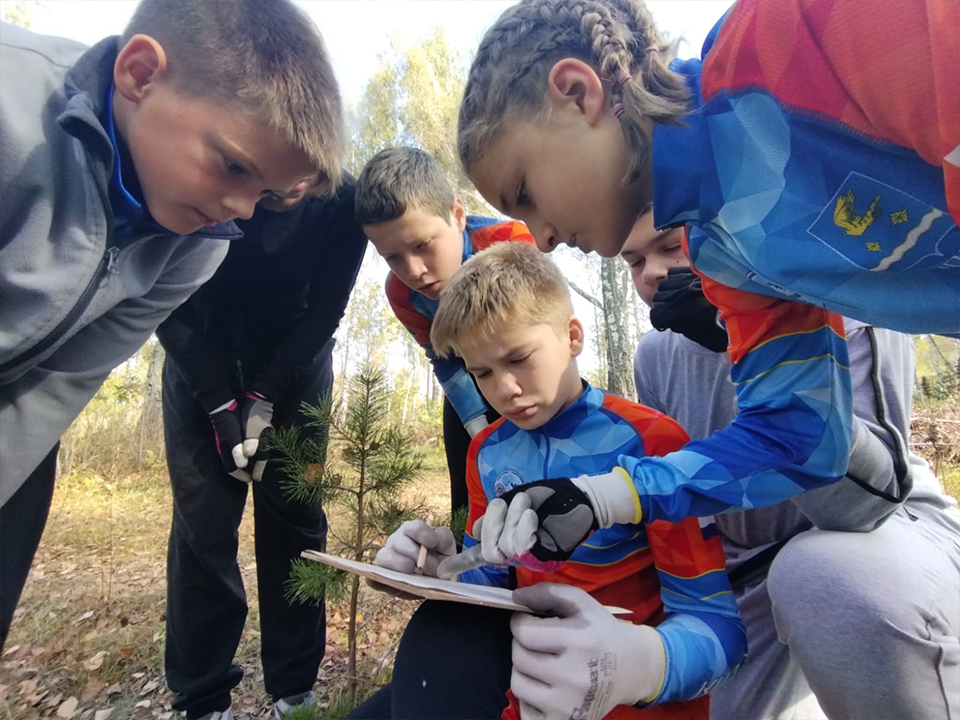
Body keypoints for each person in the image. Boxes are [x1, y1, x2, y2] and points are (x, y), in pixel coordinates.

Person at [453, 0, 959, 570]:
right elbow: (800, 438)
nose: (539, 238)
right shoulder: (722, 250)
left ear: (577, 92)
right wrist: (601, 497)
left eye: (524, 190)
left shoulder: (794, 35)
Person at [0, 0, 342, 650]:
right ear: (139, 73)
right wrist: (216, 400)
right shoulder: (9, 108)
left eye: (265, 193)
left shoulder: (201, 241)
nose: (242, 211)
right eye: (235, 167)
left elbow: (56, 386)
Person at [352, 242, 746, 720]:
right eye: (482, 373)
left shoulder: (650, 443)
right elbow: (493, 581)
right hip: (529, 695)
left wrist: (634, 666)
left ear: (572, 335)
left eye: (518, 358)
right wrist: (437, 569)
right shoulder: (488, 452)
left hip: (634, 703)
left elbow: (721, 633)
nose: (505, 389)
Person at [624, 208, 960, 720]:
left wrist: (747, 345)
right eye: (633, 261)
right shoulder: (654, 354)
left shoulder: (838, 298)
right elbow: (687, 494)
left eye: (670, 248)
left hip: (878, 539)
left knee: (823, 577)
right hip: (747, 575)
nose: (650, 272)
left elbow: (859, 508)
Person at [155, 178, 366, 720]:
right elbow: (161, 295)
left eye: (311, 169)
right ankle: (202, 697)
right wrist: (221, 402)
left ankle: (295, 691)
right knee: (204, 525)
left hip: (296, 362)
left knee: (294, 519)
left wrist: (264, 394)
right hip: (199, 354)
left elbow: (326, 311)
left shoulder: (344, 201)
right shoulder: (208, 176)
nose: (295, 182)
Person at [355, 147, 534, 516]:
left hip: (528, 376)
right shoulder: (401, 294)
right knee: (469, 500)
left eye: (422, 245)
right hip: (468, 384)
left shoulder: (513, 242)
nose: (414, 270)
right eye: (392, 257)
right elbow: (442, 357)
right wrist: (476, 424)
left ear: (456, 214)